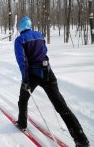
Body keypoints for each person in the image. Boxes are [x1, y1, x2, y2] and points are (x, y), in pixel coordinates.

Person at [14, 16, 89, 147]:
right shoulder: (39, 35)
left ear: (20, 27)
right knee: (60, 104)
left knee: (23, 99)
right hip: (48, 72)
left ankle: (22, 123)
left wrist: (25, 80)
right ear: (30, 25)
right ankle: (81, 139)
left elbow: (22, 62)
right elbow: (44, 51)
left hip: (33, 75)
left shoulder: (20, 40)